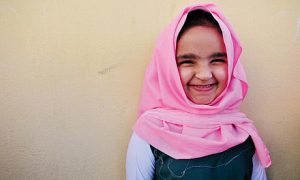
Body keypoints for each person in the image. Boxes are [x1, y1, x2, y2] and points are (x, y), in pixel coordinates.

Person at [126, 3, 271, 180]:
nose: (204, 75)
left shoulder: (243, 133)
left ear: (232, 64)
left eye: (217, 59)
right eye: (187, 61)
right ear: (168, 67)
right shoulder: (150, 132)